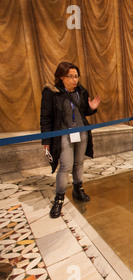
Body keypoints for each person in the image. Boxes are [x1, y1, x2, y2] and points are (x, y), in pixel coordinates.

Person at [40, 62, 101, 219]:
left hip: (82, 133)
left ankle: (77, 188)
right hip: (64, 134)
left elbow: (84, 111)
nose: (75, 80)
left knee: (79, 163)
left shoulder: (81, 91)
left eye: (76, 76)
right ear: (61, 77)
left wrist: (92, 107)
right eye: (71, 77)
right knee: (66, 165)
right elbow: (46, 118)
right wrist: (45, 139)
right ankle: (59, 198)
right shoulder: (51, 93)